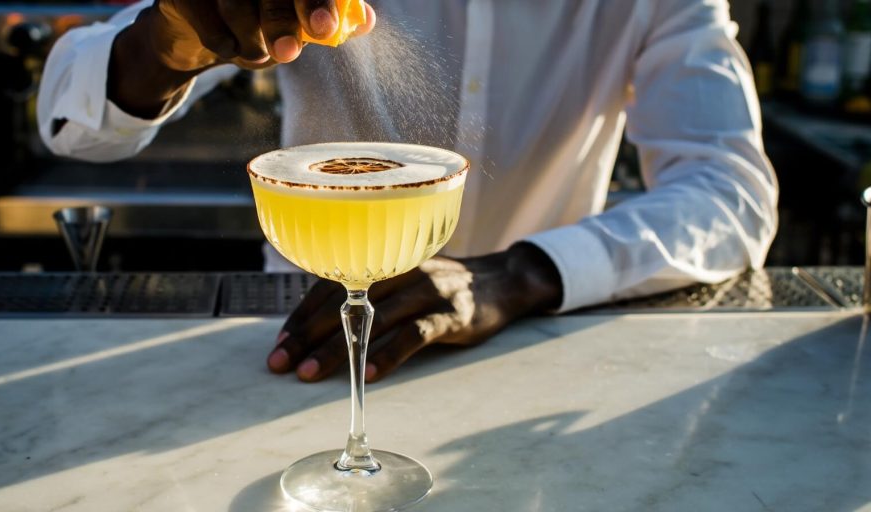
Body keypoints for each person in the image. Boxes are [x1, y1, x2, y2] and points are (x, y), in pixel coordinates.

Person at [38, 0, 778, 383]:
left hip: (533, 352)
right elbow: (76, 128)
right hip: (298, 347)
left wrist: (522, 273)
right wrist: (167, 43)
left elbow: (730, 193)